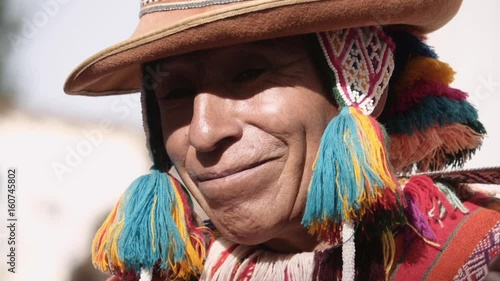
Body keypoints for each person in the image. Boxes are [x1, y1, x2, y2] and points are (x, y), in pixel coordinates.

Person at [64, 0, 500, 280]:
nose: (203, 132)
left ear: (359, 80)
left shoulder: (478, 255)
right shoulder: (155, 273)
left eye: (249, 74)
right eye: (174, 94)